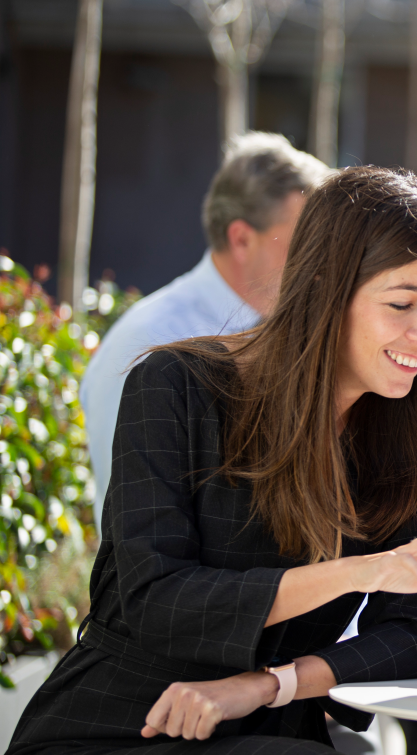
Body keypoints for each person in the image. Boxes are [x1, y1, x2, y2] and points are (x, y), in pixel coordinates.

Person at [6, 167, 417, 755]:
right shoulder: (177, 385)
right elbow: (159, 599)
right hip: (119, 726)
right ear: (324, 290)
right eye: (401, 302)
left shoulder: (409, 429)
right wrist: (363, 572)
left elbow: (414, 634)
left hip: (271, 728)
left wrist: (269, 686)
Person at [82, 131, 331, 525]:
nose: (320, 262)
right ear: (241, 239)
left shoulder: (290, 331)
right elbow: (135, 529)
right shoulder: (151, 341)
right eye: (305, 242)